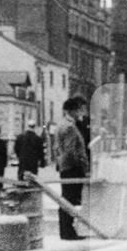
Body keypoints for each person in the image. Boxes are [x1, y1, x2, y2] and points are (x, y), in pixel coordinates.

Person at [54, 96, 90, 240]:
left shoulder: (62, 124)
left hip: (65, 166)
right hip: (72, 168)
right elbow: (71, 151)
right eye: (80, 108)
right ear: (73, 110)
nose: (82, 112)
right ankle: (68, 231)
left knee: (67, 199)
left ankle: (66, 230)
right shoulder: (69, 127)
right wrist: (82, 166)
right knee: (69, 200)